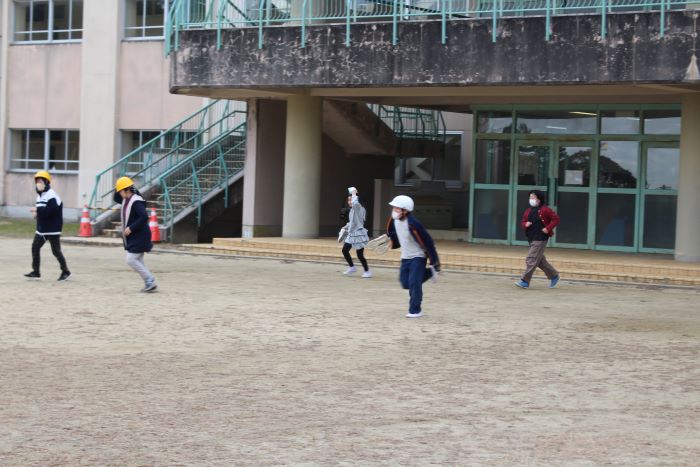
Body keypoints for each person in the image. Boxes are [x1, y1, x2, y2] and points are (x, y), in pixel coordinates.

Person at [386, 195, 440, 318]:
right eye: (394, 207)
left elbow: (429, 242)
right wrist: (391, 241)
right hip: (405, 257)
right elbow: (393, 233)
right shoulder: (393, 220)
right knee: (405, 283)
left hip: (418, 256)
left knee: (415, 283)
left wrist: (435, 262)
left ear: (405, 210)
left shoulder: (414, 224)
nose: (394, 210)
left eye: (397, 208)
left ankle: (415, 310)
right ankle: (430, 273)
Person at [24, 171, 72, 281]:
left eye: (40, 181)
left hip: (52, 229)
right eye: (37, 181)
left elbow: (52, 211)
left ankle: (66, 271)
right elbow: (42, 211)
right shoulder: (39, 196)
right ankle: (36, 272)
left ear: (46, 182)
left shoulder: (52, 195)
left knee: (56, 251)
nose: (38, 184)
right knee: (35, 247)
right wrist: (36, 214)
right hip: (42, 229)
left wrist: (37, 210)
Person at [113, 176, 157, 292]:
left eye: (120, 191)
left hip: (140, 235)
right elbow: (115, 197)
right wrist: (119, 186)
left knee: (131, 259)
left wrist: (131, 228)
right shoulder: (127, 199)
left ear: (126, 190)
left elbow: (144, 217)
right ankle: (149, 282)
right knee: (138, 260)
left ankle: (149, 280)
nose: (119, 193)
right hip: (137, 235)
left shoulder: (136, 201)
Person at [515, 190, 561, 289]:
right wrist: (525, 224)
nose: (530, 199)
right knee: (539, 260)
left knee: (531, 259)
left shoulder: (546, 210)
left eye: (533, 197)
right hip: (531, 237)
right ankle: (554, 276)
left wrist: (548, 228)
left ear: (539, 199)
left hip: (540, 238)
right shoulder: (528, 210)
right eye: (530, 197)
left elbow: (556, 219)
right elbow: (523, 222)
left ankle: (525, 281)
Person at [341, 187, 372, 278]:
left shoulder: (359, 208)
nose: (349, 202)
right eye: (348, 200)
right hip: (352, 234)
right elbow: (352, 222)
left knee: (360, 255)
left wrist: (354, 193)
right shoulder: (352, 210)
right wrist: (346, 227)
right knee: (345, 250)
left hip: (359, 234)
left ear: (356, 200)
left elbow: (355, 203)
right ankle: (352, 267)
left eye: (351, 200)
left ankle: (367, 271)